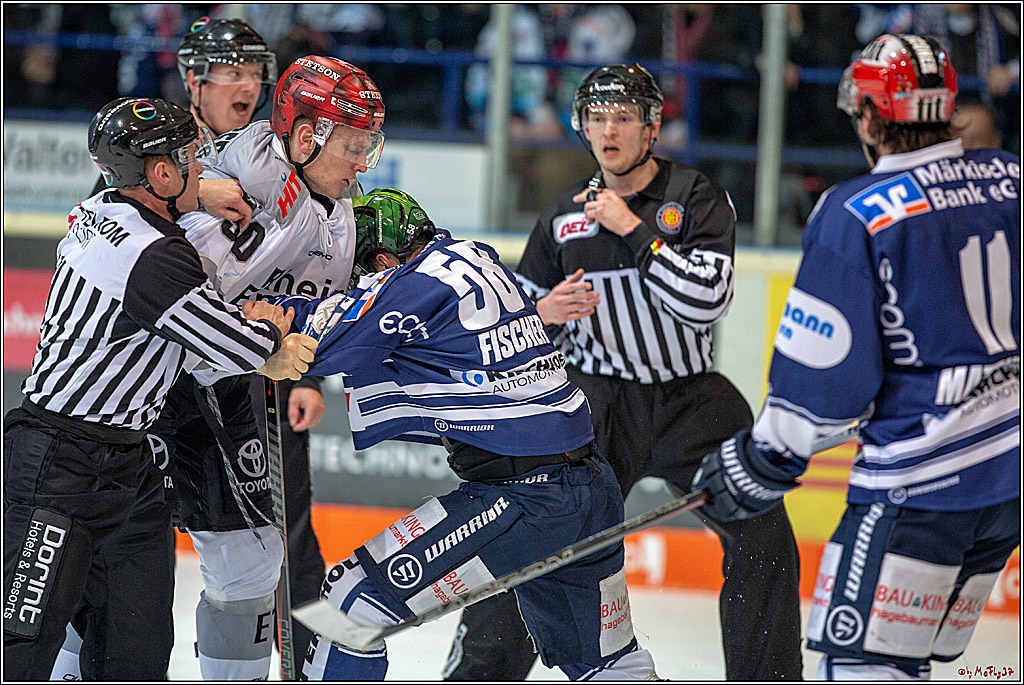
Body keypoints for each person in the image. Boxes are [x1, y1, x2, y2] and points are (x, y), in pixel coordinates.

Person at [443, 63, 803, 681]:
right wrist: (545, 311)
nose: (608, 130)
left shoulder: (694, 196)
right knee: (529, 530)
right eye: (596, 118)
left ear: (652, 126)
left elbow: (707, 301)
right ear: (582, 127)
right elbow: (515, 330)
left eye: (624, 117)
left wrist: (634, 231)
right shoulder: (562, 217)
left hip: (691, 401)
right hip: (593, 403)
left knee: (763, 533)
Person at [692, 33, 1020, 680]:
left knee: (866, 663)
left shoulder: (856, 214)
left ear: (870, 115)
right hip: (1009, 483)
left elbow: (820, 383)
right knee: (910, 658)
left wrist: (758, 461)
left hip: (920, 489)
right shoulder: (1011, 178)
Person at [274, 187, 659, 681]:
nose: (358, 289)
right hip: (589, 488)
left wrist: (265, 311)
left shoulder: (412, 284)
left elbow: (327, 338)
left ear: (385, 258)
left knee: (352, 602)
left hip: (525, 499)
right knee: (607, 660)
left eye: (361, 277)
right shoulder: (476, 257)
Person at [2, 96, 314, 681]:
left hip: (129, 466)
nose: (205, 170)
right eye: (193, 160)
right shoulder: (157, 253)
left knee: (135, 651)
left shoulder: (99, 211)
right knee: (20, 646)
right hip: (59, 466)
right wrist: (270, 330)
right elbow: (235, 348)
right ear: (163, 174)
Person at [166, 49, 386, 679]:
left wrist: (308, 370)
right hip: (156, 384)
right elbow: (119, 216)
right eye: (351, 141)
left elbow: (305, 313)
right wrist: (191, 189)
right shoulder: (245, 165)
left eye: (368, 142)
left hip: (242, 386)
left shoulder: (342, 215)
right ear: (307, 133)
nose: (361, 158)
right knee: (124, 550)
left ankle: (302, 655)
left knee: (268, 548)